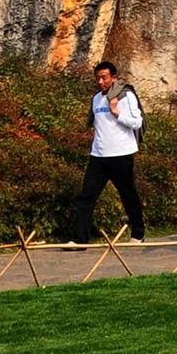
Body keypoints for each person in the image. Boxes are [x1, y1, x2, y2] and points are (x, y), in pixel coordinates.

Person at [66, 61, 145, 246]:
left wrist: (116, 112)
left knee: (128, 195)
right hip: (98, 156)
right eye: (98, 78)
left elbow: (137, 123)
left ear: (114, 78)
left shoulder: (126, 96)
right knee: (86, 196)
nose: (101, 81)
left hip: (121, 155)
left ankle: (138, 234)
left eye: (104, 77)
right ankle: (79, 240)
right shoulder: (96, 99)